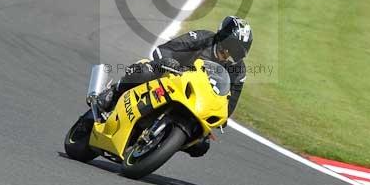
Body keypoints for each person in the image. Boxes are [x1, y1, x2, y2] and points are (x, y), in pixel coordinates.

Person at [98, 16, 253, 157]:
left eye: (237, 51)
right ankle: (114, 93)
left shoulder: (238, 71)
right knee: (144, 72)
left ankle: (163, 143)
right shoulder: (202, 38)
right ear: (222, 37)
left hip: (196, 101)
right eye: (231, 45)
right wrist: (168, 61)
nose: (230, 52)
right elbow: (165, 49)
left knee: (201, 145)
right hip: (170, 78)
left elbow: (230, 102)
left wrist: (221, 118)